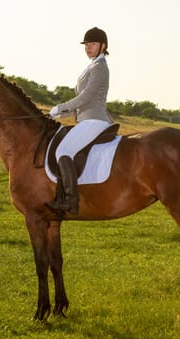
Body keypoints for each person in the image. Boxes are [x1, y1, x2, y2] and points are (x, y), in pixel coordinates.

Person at [47, 27, 114, 215]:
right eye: (86, 45)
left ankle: (71, 201)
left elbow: (86, 97)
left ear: (103, 46)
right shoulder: (93, 65)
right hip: (87, 118)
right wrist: (57, 115)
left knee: (63, 151)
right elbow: (83, 103)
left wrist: (60, 107)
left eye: (92, 44)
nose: (88, 47)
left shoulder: (100, 67)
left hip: (95, 120)